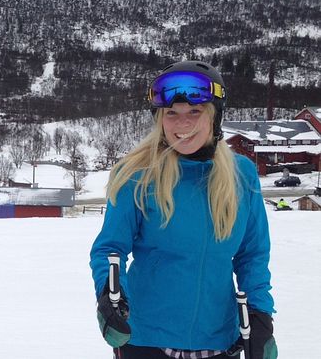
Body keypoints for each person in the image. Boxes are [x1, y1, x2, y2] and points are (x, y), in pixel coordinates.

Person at [90, 61, 277, 359]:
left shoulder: (241, 175)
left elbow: (251, 255)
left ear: (214, 116)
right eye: (172, 114)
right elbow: (110, 249)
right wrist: (110, 297)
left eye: (195, 112)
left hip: (220, 340)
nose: (183, 124)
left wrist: (260, 316)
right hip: (146, 340)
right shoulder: (137, 174)